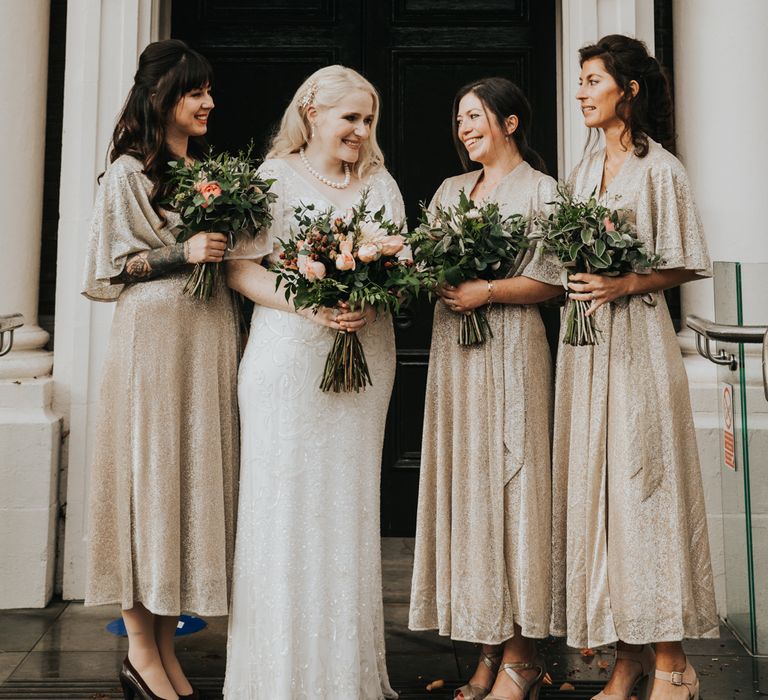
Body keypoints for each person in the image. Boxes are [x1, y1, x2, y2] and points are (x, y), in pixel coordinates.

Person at [223, 65, 403, 699]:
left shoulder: (381, 186)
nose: (360, 130)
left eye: (368, 119)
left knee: (348, 507)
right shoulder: (273, 180)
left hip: (364, 360)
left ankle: (343, 675)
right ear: (313, 114)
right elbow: (242, 271)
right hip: (287, 360)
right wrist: (311, 305)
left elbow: (397, 268)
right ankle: (274, 677)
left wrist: (369, 302)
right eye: (350, 117)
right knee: (283, 509)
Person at [550, 34, 718, 700]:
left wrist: (624, 284)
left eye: (593, 80)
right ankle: (625, 661)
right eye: (581, 81)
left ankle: (673, 661)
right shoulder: (584, 170)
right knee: (599, 494)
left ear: (630, 90)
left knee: (643, 493)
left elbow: (688, 259)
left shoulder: (661, 171)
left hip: (641, 344)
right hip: (585, 346)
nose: (582, 91)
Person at [82, 39, 242, 700]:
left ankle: (167, 651)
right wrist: (184, 252)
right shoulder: (127, 172)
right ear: (162, 99)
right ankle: (140, 652)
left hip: (204, 337)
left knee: (185, 484)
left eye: (207, 91)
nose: (207, 102)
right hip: (152, 340)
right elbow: (111, 269)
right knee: (148, 479)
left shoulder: (209, 169)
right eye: (193, 92)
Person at [408, 77, 563, 700]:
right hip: (455, 355)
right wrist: (433, 278)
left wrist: (487, 290)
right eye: (460, 119)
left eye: (475, 117)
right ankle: (486, 649)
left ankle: (522, 657)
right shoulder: (450, 191)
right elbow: (426, 262)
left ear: (511, 122)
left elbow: (552, 282)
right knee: (471, 498)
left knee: (514, 493)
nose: (465, 128)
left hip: (514, 348)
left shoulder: (543, 192)